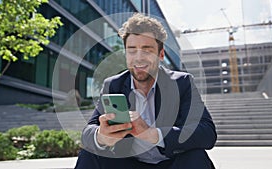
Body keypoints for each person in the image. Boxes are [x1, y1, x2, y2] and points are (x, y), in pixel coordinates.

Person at [74, 13, 217, 169]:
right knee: (90, 152)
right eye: (132, 50)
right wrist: (102, 137)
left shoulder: (181, 83)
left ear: (161, 54)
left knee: (196, 156)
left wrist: (152, 134)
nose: (138, 58)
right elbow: (88, 132)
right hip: (129, 163)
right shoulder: (113, 84)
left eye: (147, 50)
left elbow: (207, 133)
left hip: (171, 163)